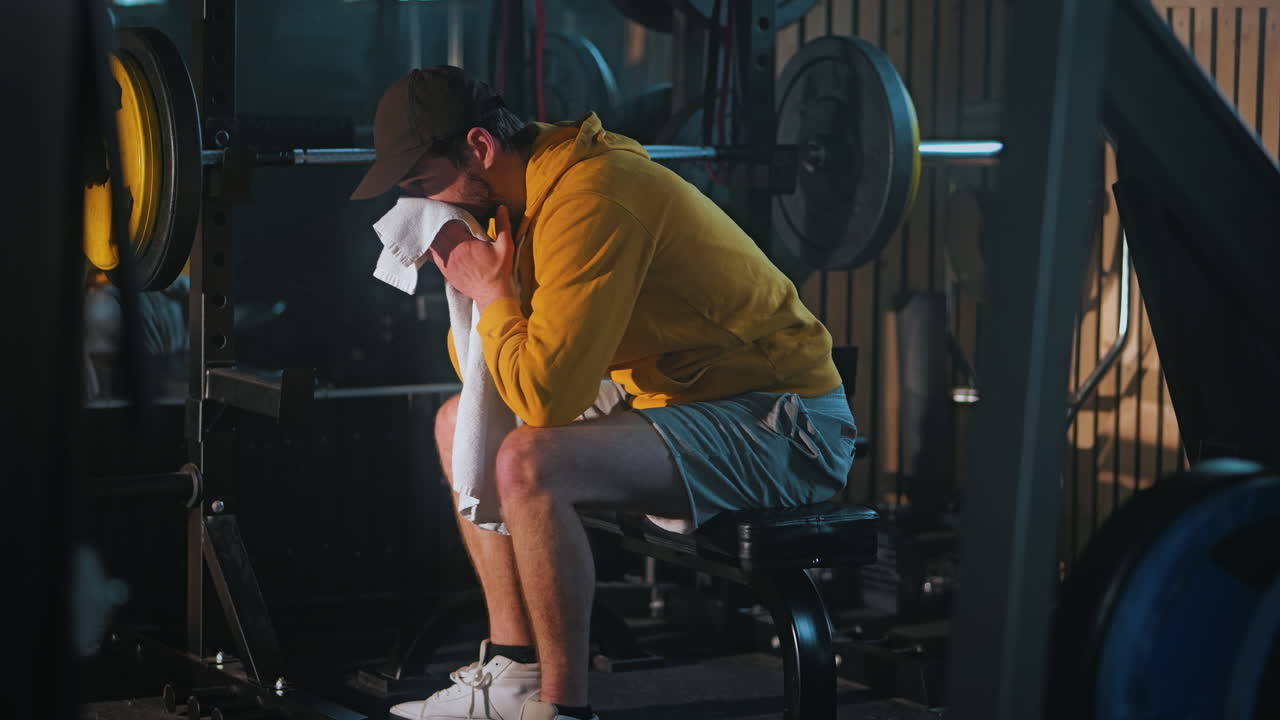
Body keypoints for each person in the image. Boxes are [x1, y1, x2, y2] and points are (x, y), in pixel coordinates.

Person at [351, 66, 857, 720]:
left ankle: (562, 709)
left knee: (529, 463)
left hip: (784, 424)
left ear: (479, 148)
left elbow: (543, 399)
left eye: (424, 182)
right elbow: (489, 377)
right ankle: (513, 672)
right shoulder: (512, 201)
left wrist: (496, 293)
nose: (427, 202)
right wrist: (476, 285)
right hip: (676, 397)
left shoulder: (591, 197)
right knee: (457, 424)